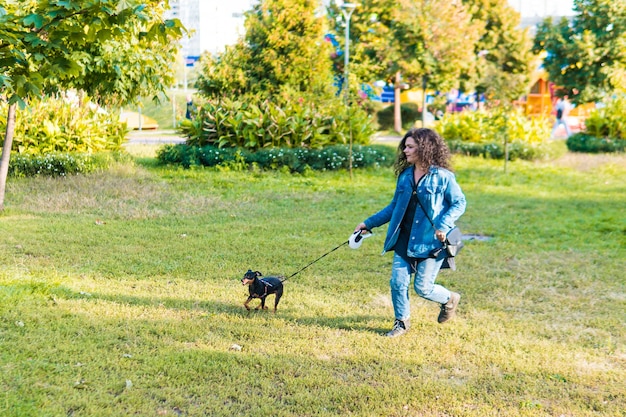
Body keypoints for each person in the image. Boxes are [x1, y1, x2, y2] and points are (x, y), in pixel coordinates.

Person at [354, 128, 466, 337]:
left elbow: (459, 203)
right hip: (404, 239)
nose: (405, 150)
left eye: (410, 146)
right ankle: (401, 323)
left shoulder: (443, 177)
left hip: (431, 242)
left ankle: (449, 299)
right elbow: (394, 206)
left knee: (423, 288)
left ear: (424, 148)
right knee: (397, 281)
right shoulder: (405, 176)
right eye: (405, 146)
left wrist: (443, 224)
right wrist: (368, 223)